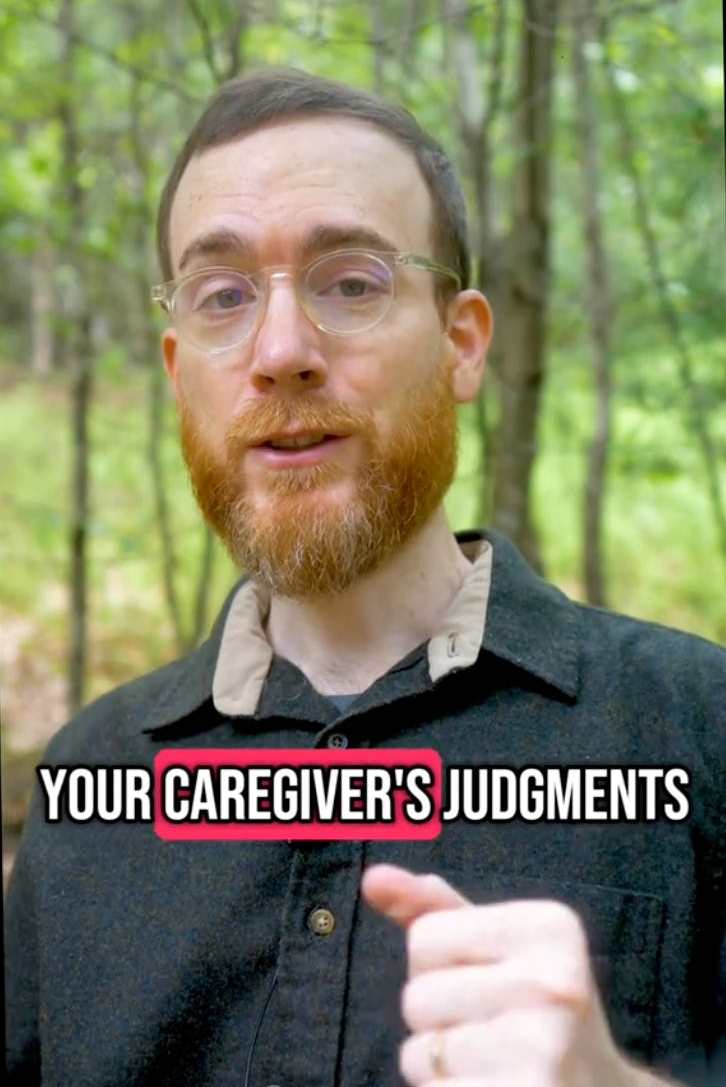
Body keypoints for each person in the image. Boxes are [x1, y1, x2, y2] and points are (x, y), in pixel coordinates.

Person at [5, 68, 725, 1087]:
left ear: (462, 344)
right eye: (223, 297)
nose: (283, 350)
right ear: (178, 373)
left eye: (352, 282)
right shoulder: (84, 788)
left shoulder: (700, 733)